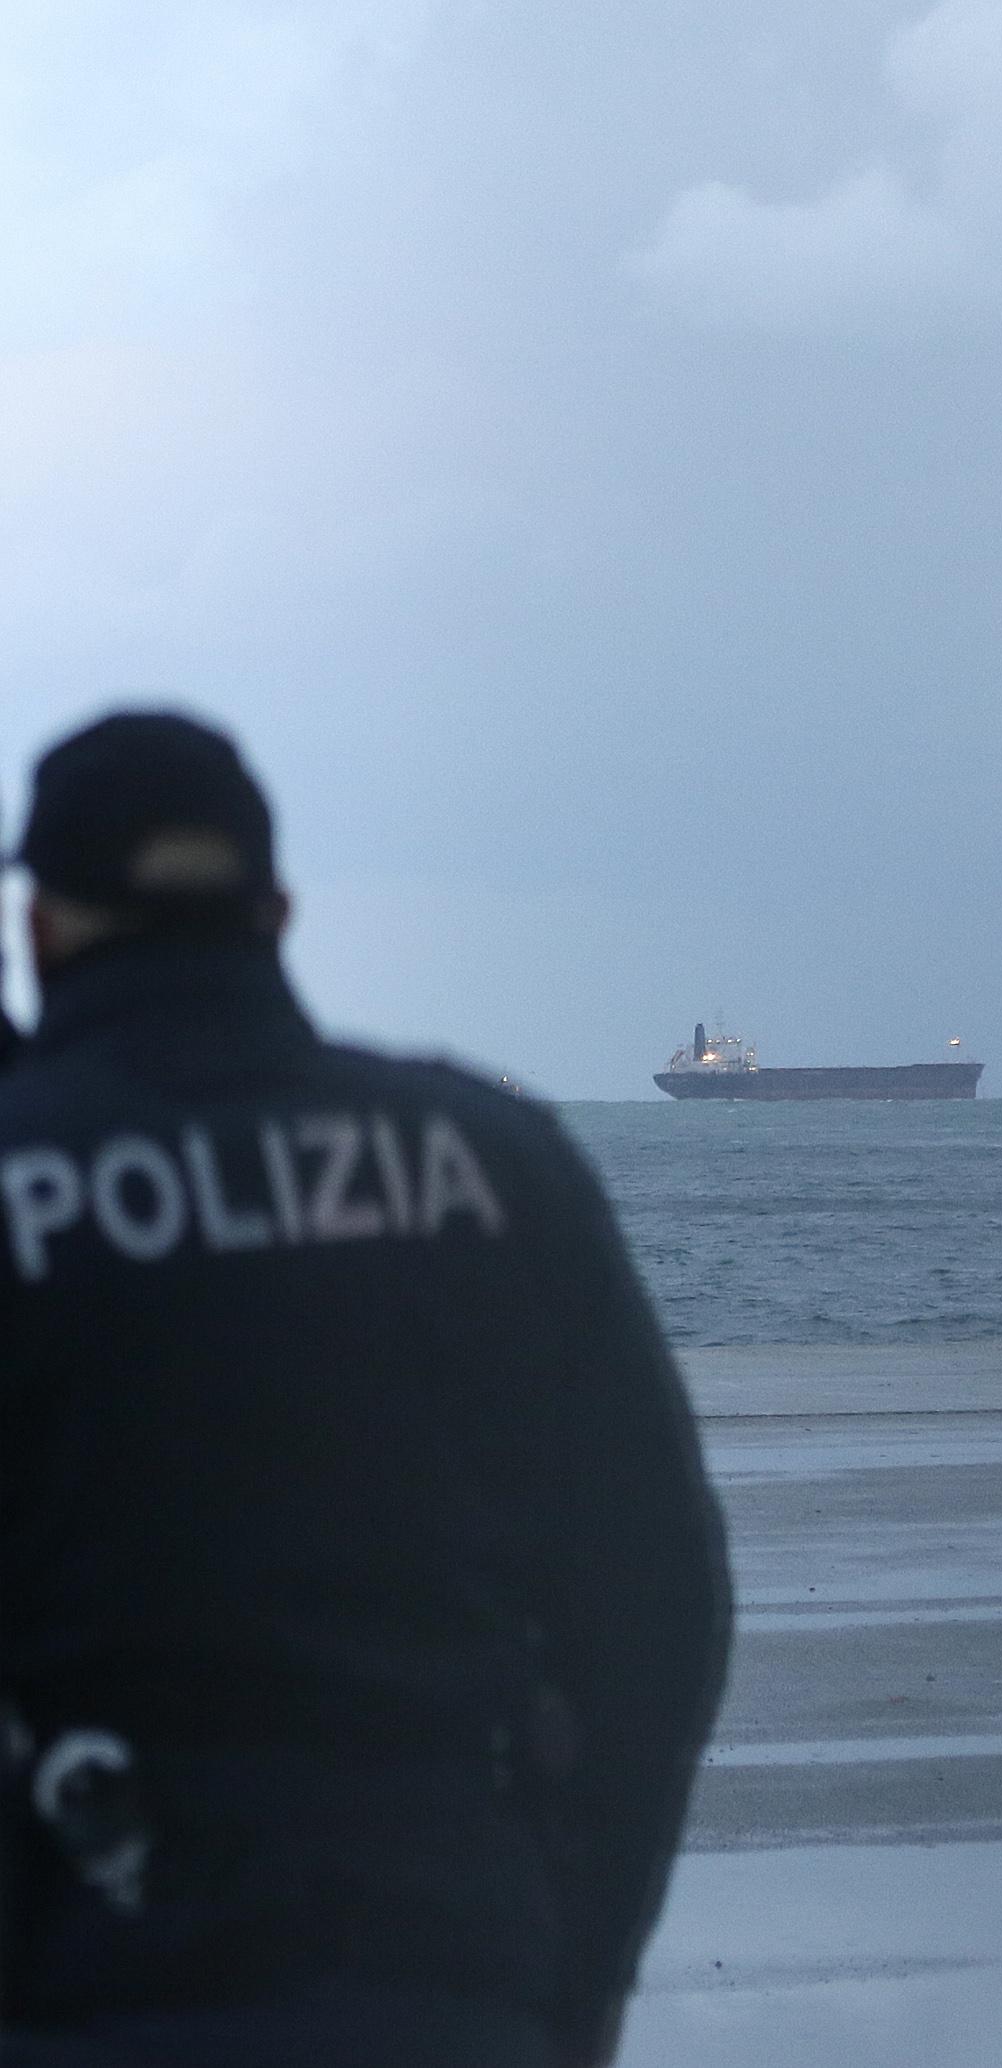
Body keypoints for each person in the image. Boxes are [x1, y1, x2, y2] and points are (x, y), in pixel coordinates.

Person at [0, 713, 730, 2066]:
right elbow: (658, 1604)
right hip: (451, 1972)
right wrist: (579, 1970)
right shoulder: (500, 1166)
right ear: (276, 909)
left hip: (83, 1977)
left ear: (40, 927)